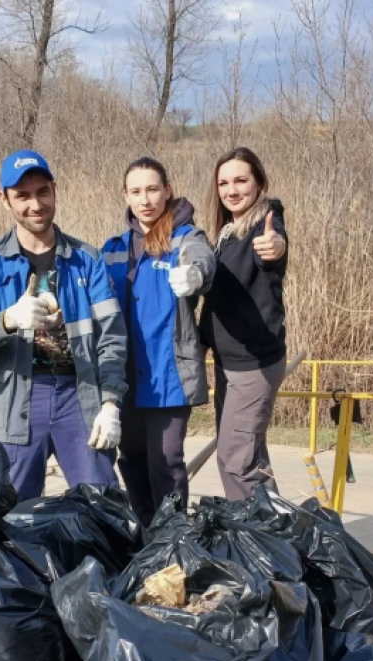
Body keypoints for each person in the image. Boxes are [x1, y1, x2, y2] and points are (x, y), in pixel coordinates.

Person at [0, 149, 127, 501]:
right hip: (14, 400)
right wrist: (7, 319)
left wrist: (110, 403)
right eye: (22, 196)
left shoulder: (88, 261)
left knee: (102, 507)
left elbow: (112, 338)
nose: (35, 204)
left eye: (42, 192)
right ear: (4, 200)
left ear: (55, 190)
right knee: (9, 513)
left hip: (79, 398)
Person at [100, 157, 216, 527]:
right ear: (125, 195)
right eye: (136, 191)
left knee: (165, 462)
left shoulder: (185, 237)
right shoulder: (113, 247)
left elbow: (202, 259)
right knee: (132, 458)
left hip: (168, 376)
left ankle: (173, 536)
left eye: (152, 189)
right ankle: (145, 532)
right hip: (124, 376)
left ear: (168, 189)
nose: (145, 199)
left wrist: (195, 275)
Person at [200, 147, 288, 501]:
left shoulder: (264, 228)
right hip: (230, 363)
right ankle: (281, 541)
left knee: (236, 462)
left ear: (260, 183)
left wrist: (276, 246)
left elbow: (273, 248)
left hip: (253, 366)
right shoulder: (229, 232)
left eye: (241, 180)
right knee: (250, 458)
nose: (231, 190)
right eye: (224, 182)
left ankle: (261, 544)